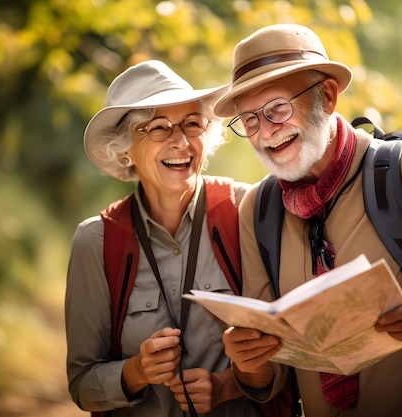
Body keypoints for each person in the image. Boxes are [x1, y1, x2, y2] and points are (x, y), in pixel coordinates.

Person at [214, 24, 402, 417]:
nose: (265, 133)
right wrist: (248, 360)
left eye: (276, 109)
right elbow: (270, 381)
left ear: (326, 97)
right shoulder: (258, 209)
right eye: (250, 120)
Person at [65, 60, 262, 417]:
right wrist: (136, 371)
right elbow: (82, 385)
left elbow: (290, 350)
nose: (181, 141)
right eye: (158, 128)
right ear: (125, 148)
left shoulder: (246, 210)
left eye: (191, 124)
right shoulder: (95, 241)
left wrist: (228, 386)